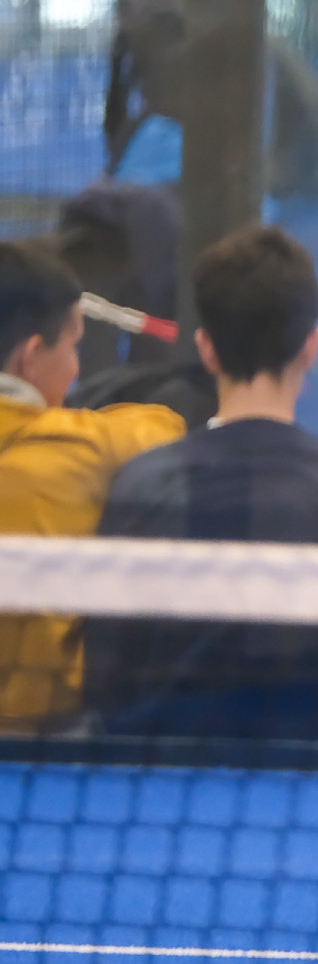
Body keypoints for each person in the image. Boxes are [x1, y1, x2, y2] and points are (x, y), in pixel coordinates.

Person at [87, 226, 318, 740]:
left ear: (206, 349)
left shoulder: (144, 482)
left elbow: (110, 669)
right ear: (312, 347)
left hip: (162, 765)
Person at [0, 241, 183, 735]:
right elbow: (166, 426)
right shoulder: (79, 447)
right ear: (30, 357)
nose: (77, 368)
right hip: (41, 736)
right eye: (73, 347)